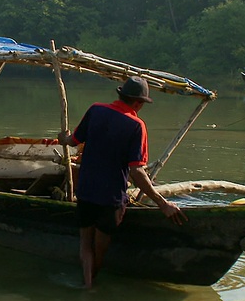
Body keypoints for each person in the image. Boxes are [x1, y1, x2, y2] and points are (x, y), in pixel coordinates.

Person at [58, 76, 188, 289]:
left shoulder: (95, 110)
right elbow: (137, 171)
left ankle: (87, 285)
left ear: (121, 95)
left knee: (85, 244)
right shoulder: (136, 126)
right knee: (100, 249)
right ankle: (92, 285)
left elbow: (73, 141)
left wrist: (61, 138)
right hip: (111, 199)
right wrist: (162, 203)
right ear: (138, 103)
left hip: (86, 192)